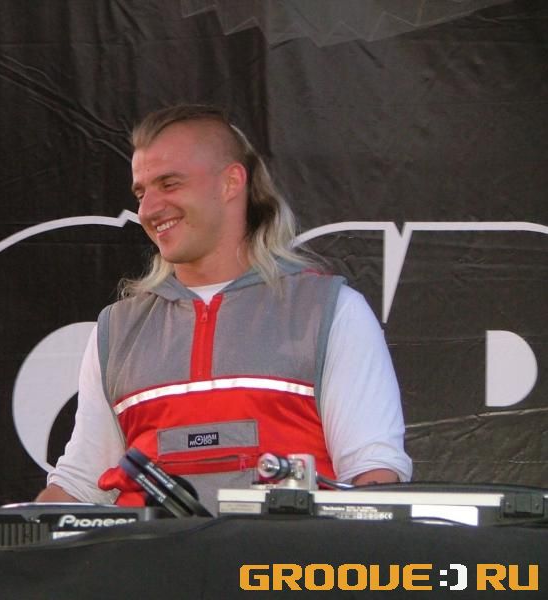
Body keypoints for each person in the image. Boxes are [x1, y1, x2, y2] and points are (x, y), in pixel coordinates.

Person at [36, 104, 411, 514]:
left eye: (169, 184)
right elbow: (82, 483)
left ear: (231, 182)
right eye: (141, 193)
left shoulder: (329, 310)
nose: (149, 209)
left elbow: (373, 473)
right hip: (152, 557)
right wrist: (12, 535)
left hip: (285, 558)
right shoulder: (117, 328)